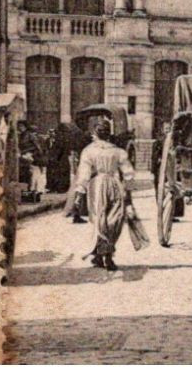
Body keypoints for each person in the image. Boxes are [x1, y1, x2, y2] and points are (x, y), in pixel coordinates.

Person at [74, 116, 134, 272]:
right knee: (114, 219)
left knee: (99, 220)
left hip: (97, 185)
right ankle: (106, 254)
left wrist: (80, 193)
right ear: (109, 134)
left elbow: (84, 174)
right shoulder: (118, 151)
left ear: (95, 133)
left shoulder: (88, 151)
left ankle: (102, 254)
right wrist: (127, 191)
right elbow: (128, 174)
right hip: (115, 184)